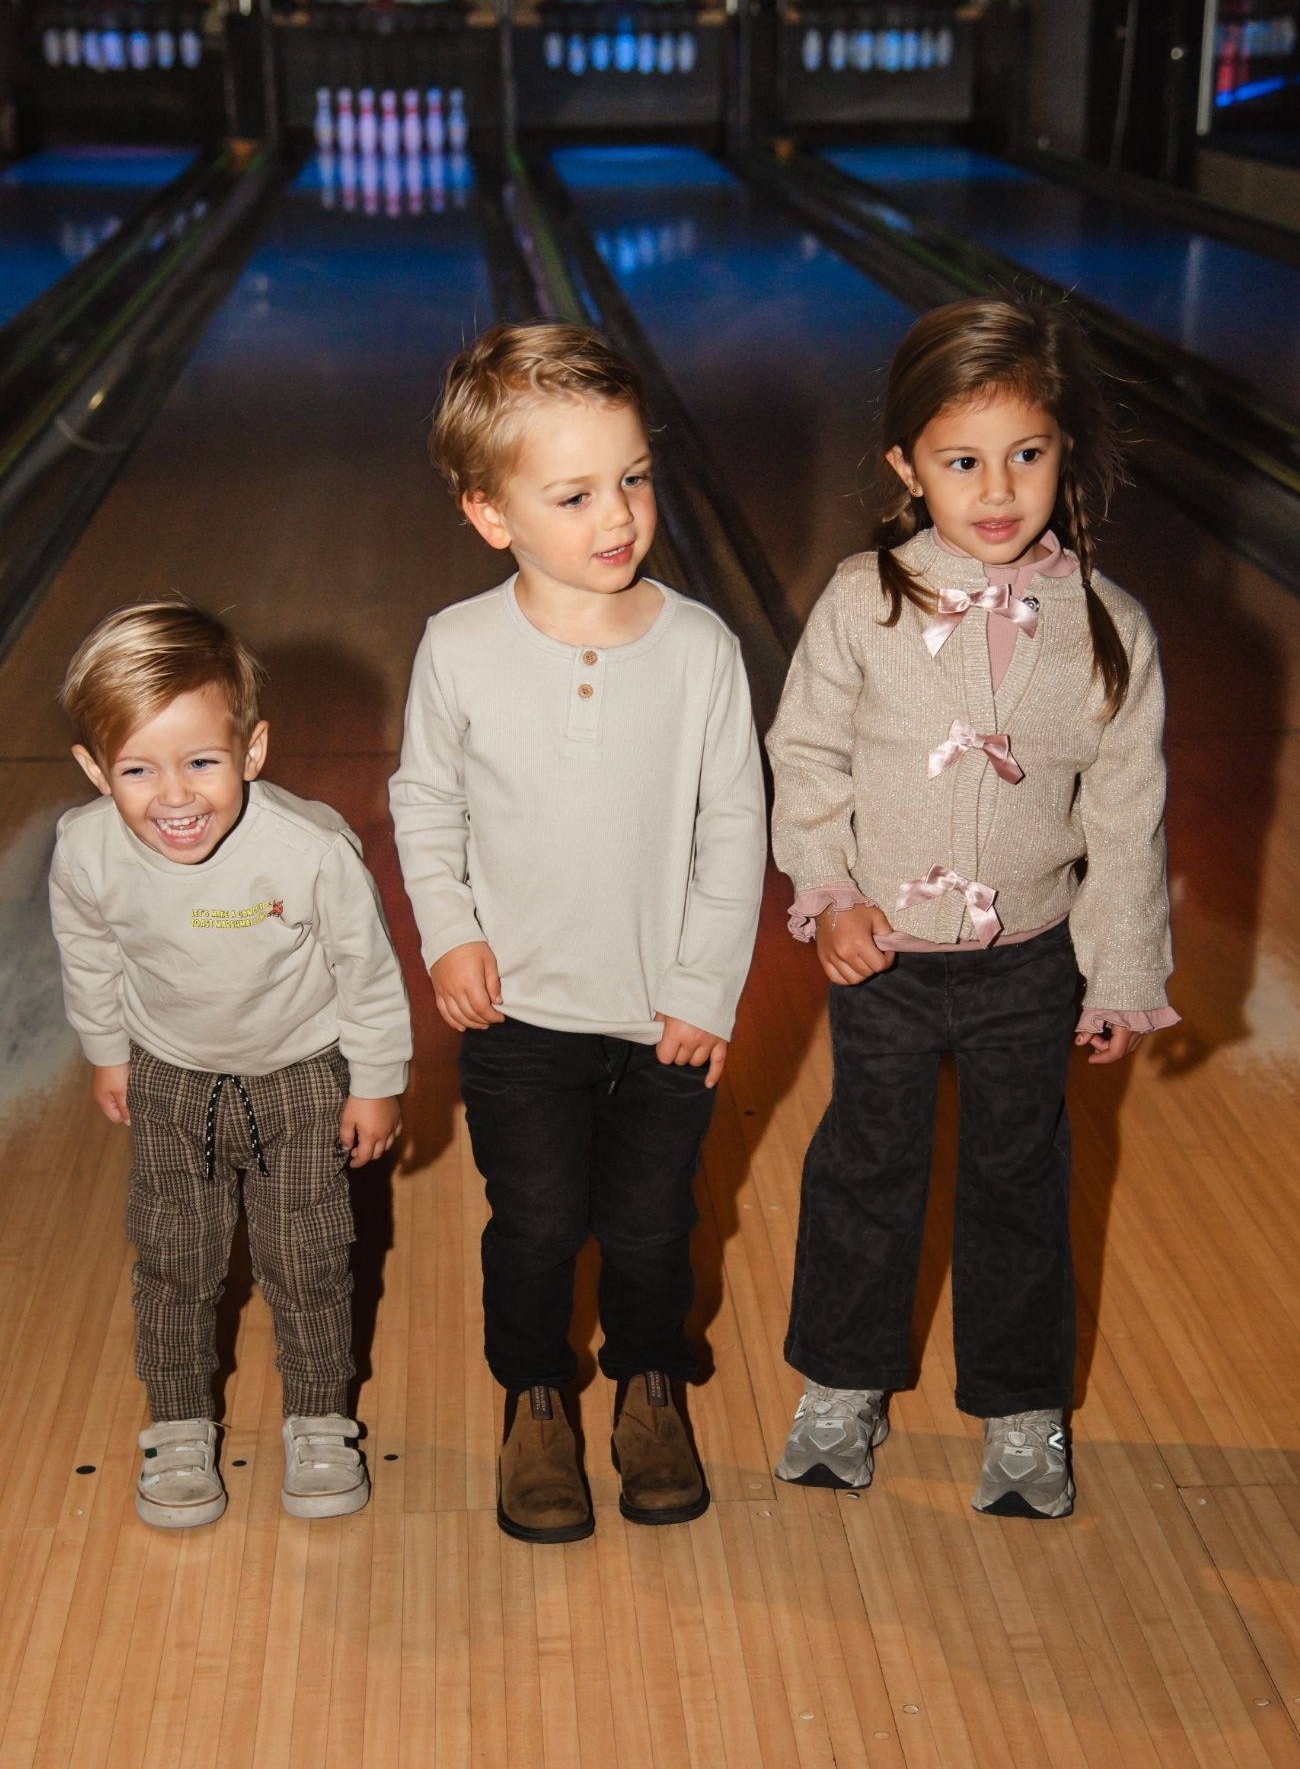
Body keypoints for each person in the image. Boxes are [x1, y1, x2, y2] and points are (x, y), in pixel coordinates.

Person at [767, 295, 1177, 1519]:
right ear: (906, 466)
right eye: (960, 461)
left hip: (1029, 960)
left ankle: (1021, 1405)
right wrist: (828, 893)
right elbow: (806, 758)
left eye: (1025, 454)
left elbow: (1125, 819)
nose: (996, 490)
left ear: (1063, 452)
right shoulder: (863, 599)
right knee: (866, 1165)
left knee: (1018, 1180)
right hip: (884, 955)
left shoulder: (1109, 628)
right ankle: (841, 1384)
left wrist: (1119, 974)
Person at [390, 322, 766, 1543]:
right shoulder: (457, 648)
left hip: (665, 1017)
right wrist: (449, 933)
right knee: (538, 1225)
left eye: (634, 477)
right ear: (488, 513)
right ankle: (535, 1397)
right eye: (574, 494)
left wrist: (705, 986)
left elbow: (733, 829)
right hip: (519, 1015)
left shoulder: (700, 650)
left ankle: (651, 1381)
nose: (618, 514)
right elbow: (424, 803)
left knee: (653, 1226)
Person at [50, 600, 411, 1528]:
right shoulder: (86, 849)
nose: (175, 798)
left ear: (252, 750)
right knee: (174, 1263)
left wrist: (377, 1082)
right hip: (170, 1081)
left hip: (302, 1080)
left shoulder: (311, 850)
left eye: (202, 763)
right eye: (138, 769)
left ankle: (320, 1420)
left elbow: (367, 972)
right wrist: (106, 1051)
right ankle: (178, 1425)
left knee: (309, 1261)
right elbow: (89, 952)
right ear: (95, 769)